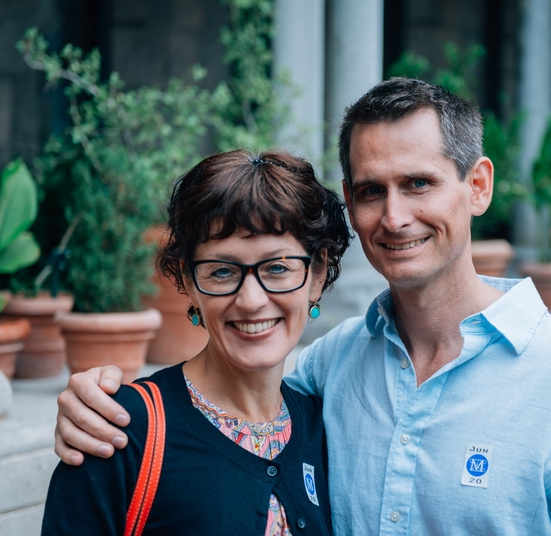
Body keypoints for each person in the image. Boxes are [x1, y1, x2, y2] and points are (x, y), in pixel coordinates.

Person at [53, 78, 551, 534]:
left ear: (477, 186)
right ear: (350, 201)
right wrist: (101, 397)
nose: (395, 217)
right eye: (373, 191)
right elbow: (220, 401)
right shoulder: (333, 369)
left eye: (419, 183)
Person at [42, 149, 348, 535]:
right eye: (222, 271)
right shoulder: (117, 431)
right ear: (188, 281)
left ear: (316, 275)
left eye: (277, 268)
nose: (251, 300)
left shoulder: (323, 426)